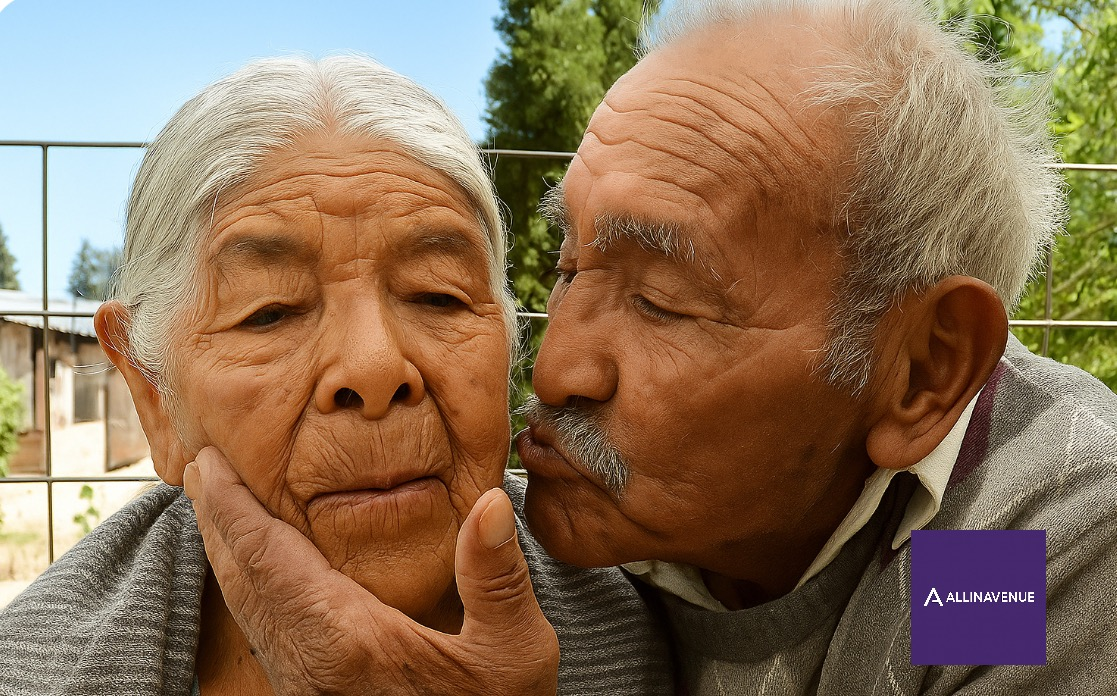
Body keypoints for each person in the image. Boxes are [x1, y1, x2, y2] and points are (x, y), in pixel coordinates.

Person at [181, 0, 1117, 694]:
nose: (552, 371)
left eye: (664, 301)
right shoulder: (603, 522)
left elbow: (939, 614)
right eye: (564, 267)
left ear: (922, 371)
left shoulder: (1006, 565)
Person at [0, 55, 674, 696]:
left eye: (438, 295)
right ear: (152, 389)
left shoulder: (658, 618)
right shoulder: (33, 669)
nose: (374, 368)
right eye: (269, 313)